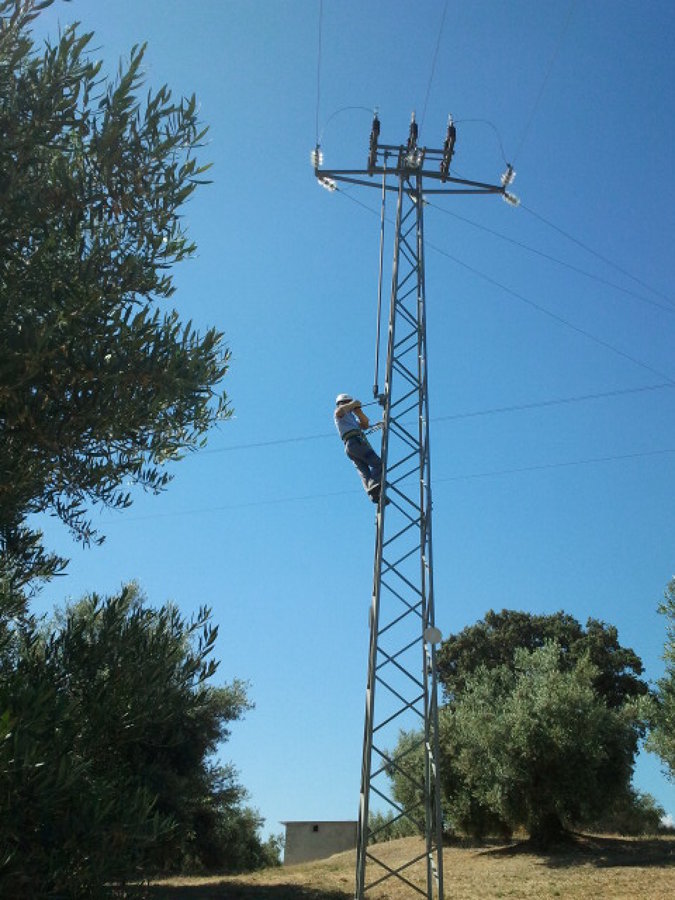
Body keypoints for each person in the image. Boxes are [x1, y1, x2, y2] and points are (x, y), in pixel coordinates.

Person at [334, 393, 383, 503]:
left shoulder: (351, 417)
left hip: (351, 446)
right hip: (355, 442)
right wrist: (354, 403)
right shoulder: (340, 412)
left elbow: (365, 425)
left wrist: (359, 412)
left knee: (365, 473)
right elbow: (339, 412)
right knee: (378, 463)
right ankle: (374, 484)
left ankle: (374, 495)